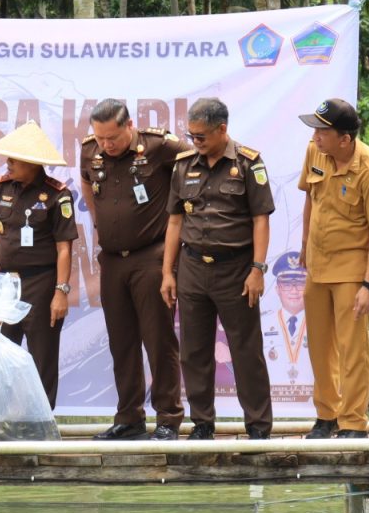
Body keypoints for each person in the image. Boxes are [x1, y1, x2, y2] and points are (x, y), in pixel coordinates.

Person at [161, 98, 275, 440]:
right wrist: (168, 271)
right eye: (191, 135)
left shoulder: (249, 163)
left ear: (222, 129)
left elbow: (260, 220)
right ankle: (202, 423)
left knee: (246, 350)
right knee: (194, 351)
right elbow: (175, 220)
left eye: (201, 136)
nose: (194, 141)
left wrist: (257, 269)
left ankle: (257, 426)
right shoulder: (183, 165)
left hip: (236, 270)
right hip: (193, 267)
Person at [0, 122, 78, 442]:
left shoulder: (57, 195)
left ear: (32, 162)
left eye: (13, 160)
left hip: (42, 284)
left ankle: (39, 426)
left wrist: (61, 291)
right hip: (5, 286)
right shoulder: (3, 188)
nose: (7, 165)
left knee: (41, 357)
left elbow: (64, 248)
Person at [80, 99, 186, 441]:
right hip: (112, 259)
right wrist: (99, 222)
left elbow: (196, 167)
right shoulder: (89, 151)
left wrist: (180, 219)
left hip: (151, 256)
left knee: (158, 339)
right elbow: (86, 181)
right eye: (100, 139)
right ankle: (129, 417)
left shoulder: (160, 147)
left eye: (112, 138)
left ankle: (168, 418)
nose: (106, 146)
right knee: (121, 341)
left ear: (129, 126)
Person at [297, 99, 369, 440]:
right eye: (316, 129)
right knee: (320, 347)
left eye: (323, 130)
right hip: (318, 267)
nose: (316, 136)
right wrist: (305, 244)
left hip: (352, 270)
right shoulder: (315, 152)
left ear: (345, 139)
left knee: (352, 350)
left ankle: (352, 421)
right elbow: (310, 198)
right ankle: (327, 416)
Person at [263, 251, 312, 401]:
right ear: (277, 289)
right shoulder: (263, 323)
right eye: (286, 284)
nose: (294, 290)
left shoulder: (319, 322)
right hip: (271, 396)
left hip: (312, 397)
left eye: (300, 283)